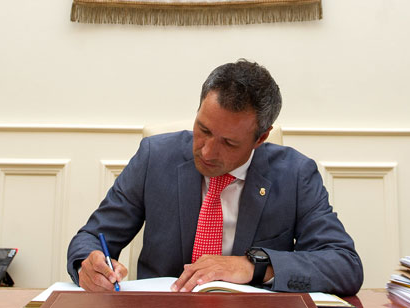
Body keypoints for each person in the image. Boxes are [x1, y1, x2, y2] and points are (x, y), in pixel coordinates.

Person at [66, 59, 363, 296]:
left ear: (260, 138)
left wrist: (254, 267)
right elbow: (91, 237)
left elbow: (344, 265)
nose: (207, 151)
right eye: (203, 130)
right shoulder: (155, 158)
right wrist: (88, 264)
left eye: (229, 143)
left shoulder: (295, 174)